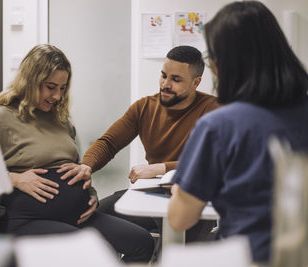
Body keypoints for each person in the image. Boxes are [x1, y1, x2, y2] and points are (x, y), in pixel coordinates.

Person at [167, 1, 308, 264]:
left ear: (221, 65)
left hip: (250, 256)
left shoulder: (220, 125)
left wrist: (179, 188)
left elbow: (179, 218)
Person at [0, 44, 154, 263]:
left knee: (142, 242)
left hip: (77, 216)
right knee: (93, 252)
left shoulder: (60, 120)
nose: (57, 96)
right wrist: (15, 178)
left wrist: (90, 194)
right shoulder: (0, 118)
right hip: (27, 220)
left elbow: (75, 165)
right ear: (29, 81)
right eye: (50, 87)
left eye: (62, 88)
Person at [60, 45, 219, 241]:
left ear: (196, 82)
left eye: (176, 79)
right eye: (163, 75)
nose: (165, 84)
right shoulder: (145, 107)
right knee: (92, 217)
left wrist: (161, 168)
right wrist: (86, 166)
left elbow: (213, 164)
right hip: (152, 196)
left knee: (176, 247)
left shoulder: (214, 111)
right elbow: (109, 143)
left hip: (194, 200)